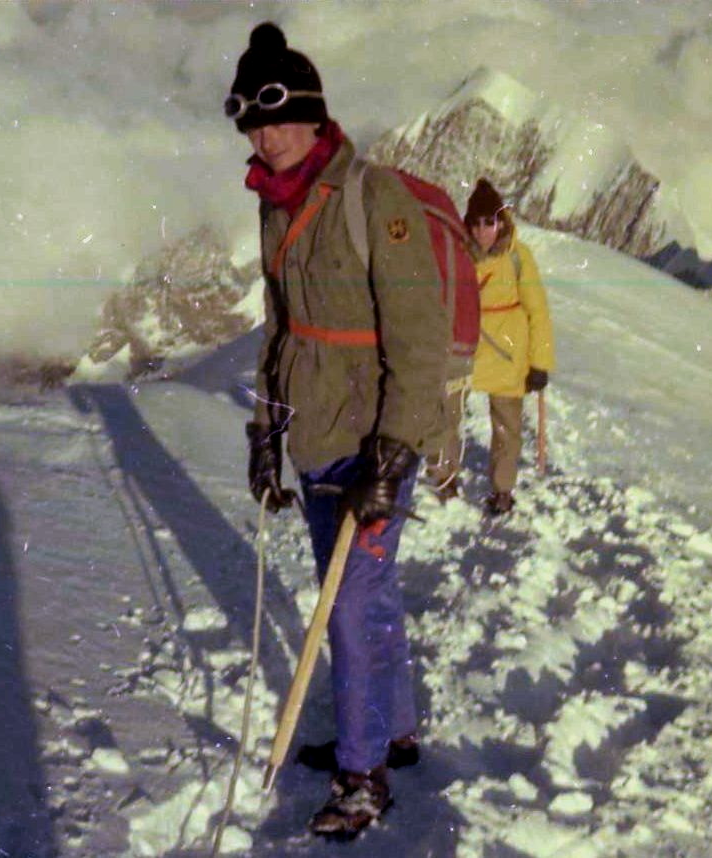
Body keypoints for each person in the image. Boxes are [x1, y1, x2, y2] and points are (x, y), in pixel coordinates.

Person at [227, 22, 448, 839]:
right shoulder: (274, 205)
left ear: (315, 114)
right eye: (252, 122)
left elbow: (419, 338)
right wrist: (262, 429)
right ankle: (393, 729)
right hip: (314, 437)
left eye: (278, 117)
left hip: (371, 438)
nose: (266, 135)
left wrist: (393, 454)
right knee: (365, 594)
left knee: (348, 607)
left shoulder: (370, 195)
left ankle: (363, 775)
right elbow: (281, 327)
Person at [454, 179, 555, 515]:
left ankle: (502, 489)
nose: (483, 230)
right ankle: (444, 478)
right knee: (447, 416)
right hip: (466, 347)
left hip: (507, 352)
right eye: (476, 222)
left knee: (506, 428)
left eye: (490, 222)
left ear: (501, 222)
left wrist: (540, 363)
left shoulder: (518, 257)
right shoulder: (457, 255)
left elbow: (537, 311)